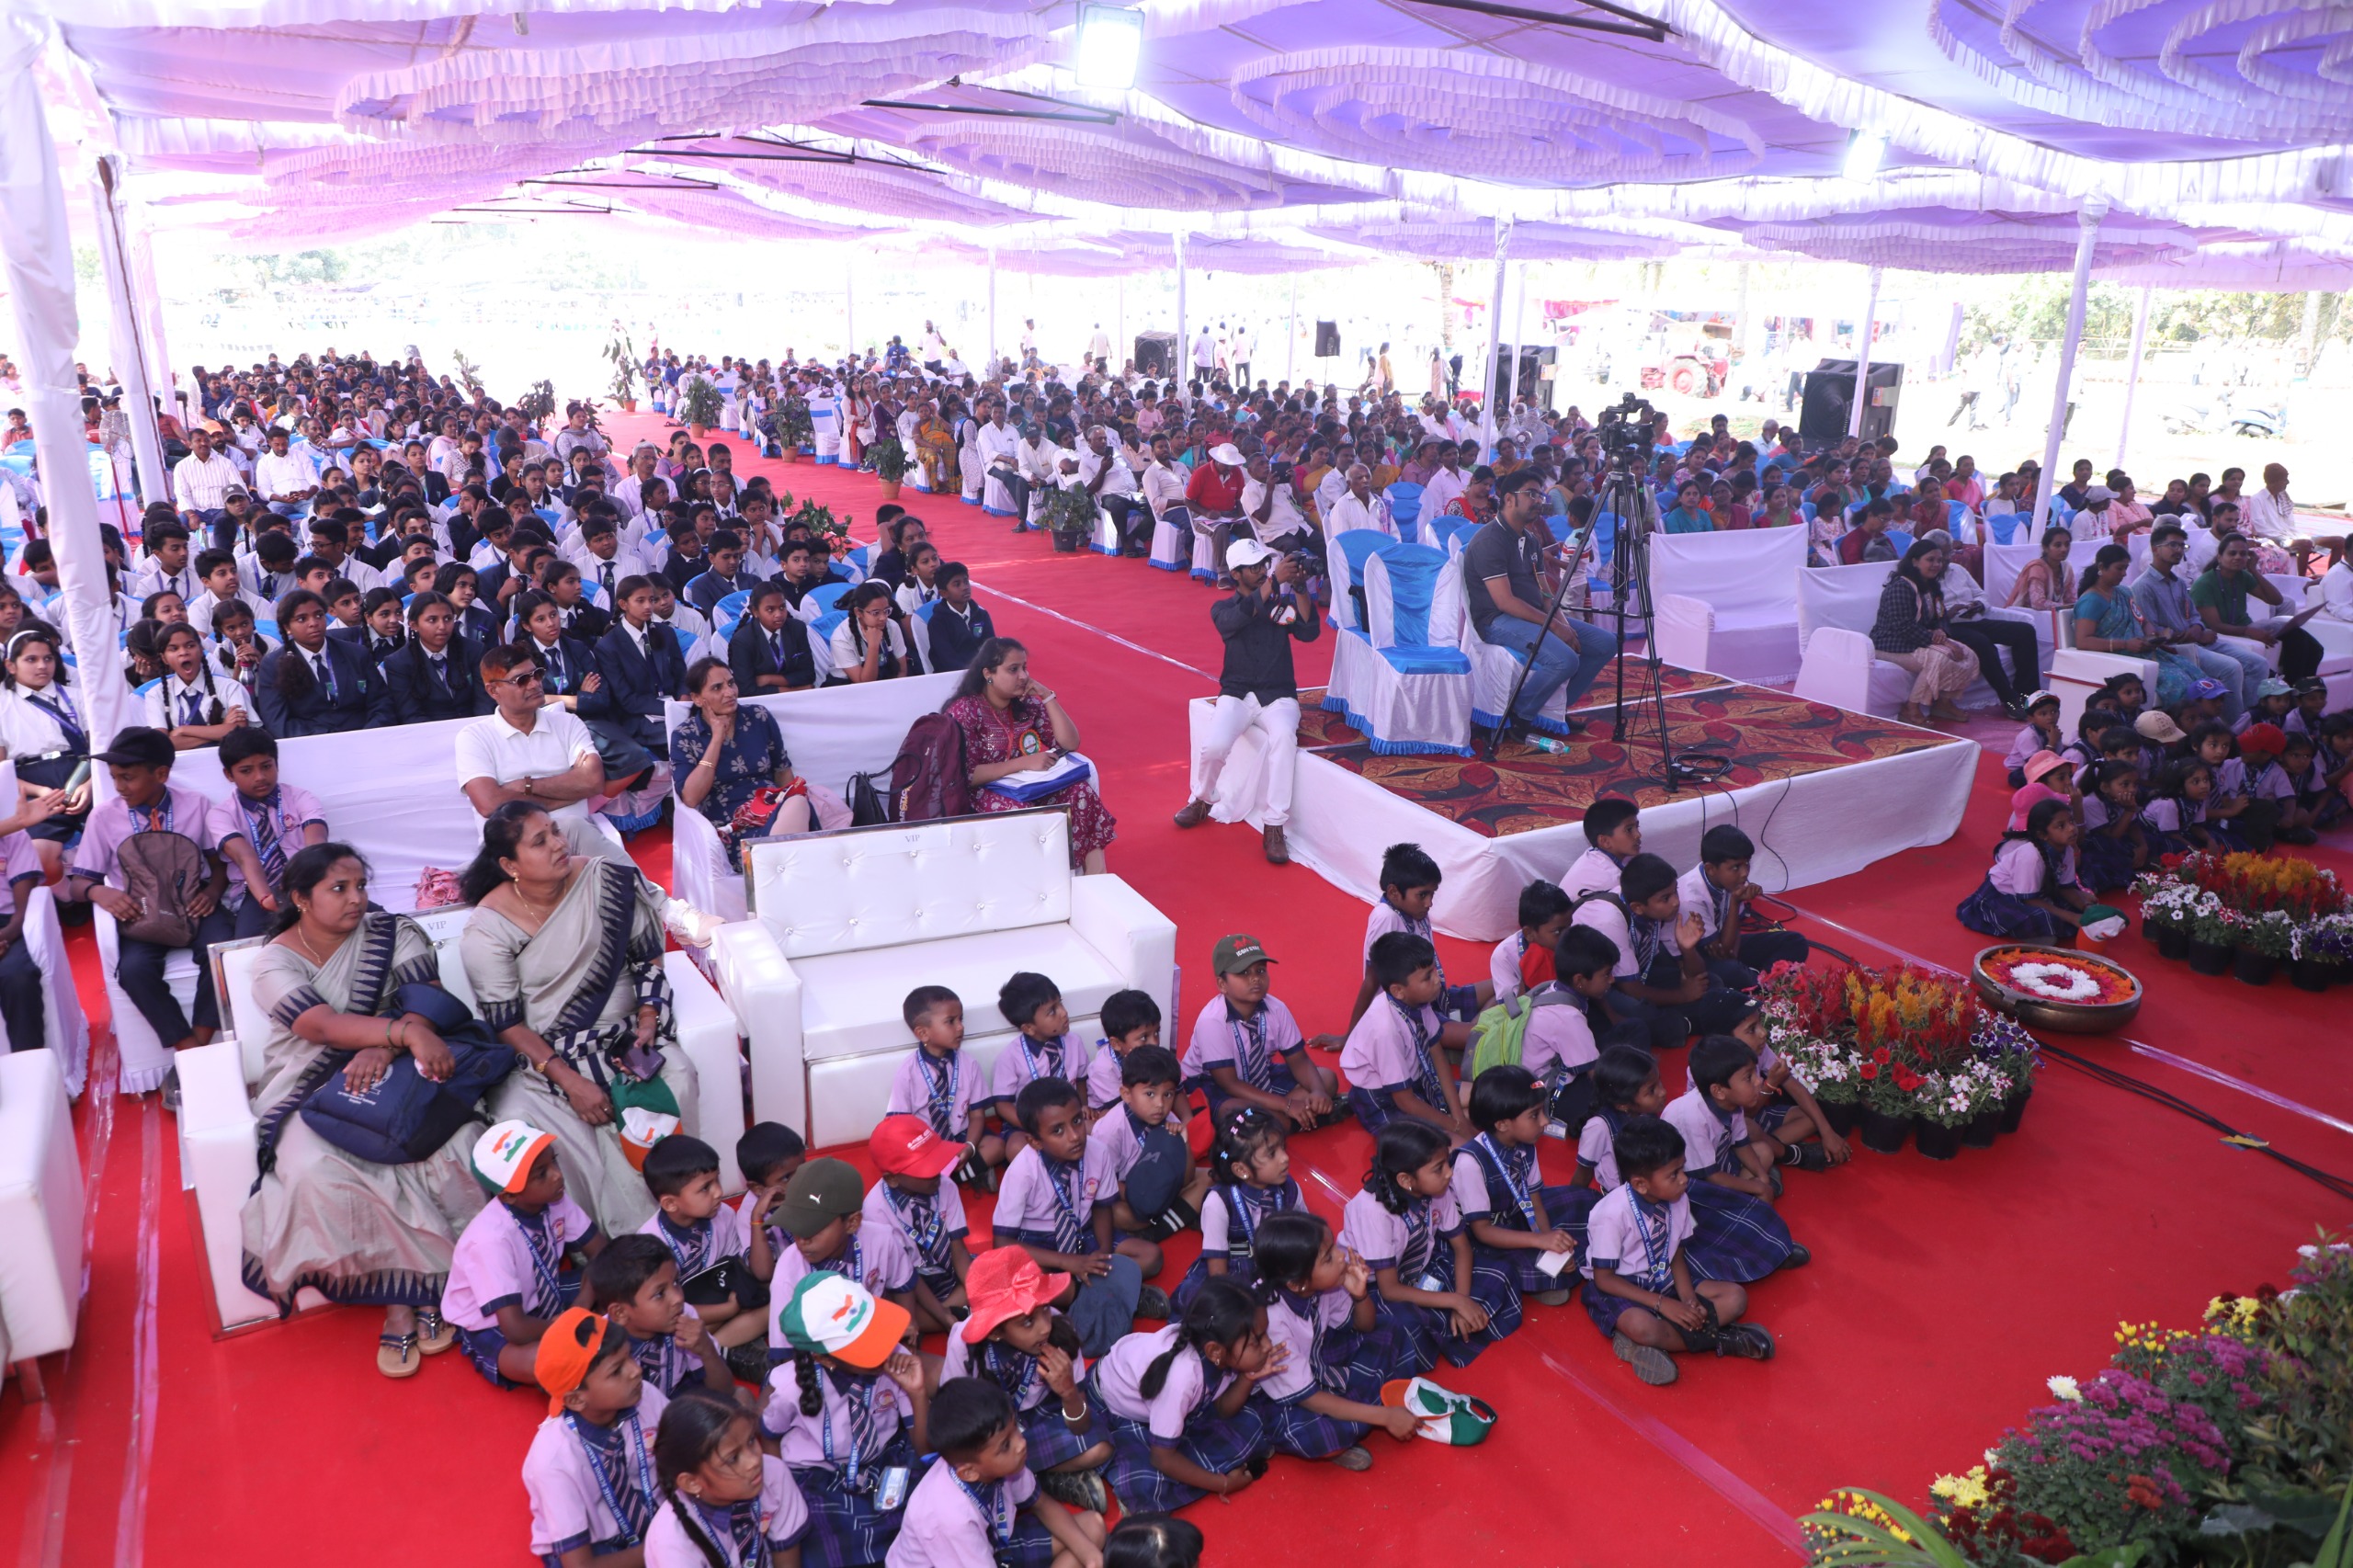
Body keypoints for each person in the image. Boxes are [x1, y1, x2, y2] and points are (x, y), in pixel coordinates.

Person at [236, 844, 491, 1375]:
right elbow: (322, 1027)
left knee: (451, 1146)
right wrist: (399, 1033)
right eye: (339, 889)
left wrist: (385, 1049)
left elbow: (427, 999)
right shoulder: (274, 962)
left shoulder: (393, 932)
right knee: (315, 1170)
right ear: (300, 899)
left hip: (400, 1073)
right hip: (310, 1085)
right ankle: (405, 1296)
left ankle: (418, 1290)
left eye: (360, 886)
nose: (356, 899)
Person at [460, 801, 702, 1235]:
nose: (558, 844)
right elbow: (507, 1024)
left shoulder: (606, 880)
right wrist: (572, 1083)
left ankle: (683, 1210)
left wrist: (649, 1018)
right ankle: (602, 1238)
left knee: (678, 1073)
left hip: (624, 1036)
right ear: (510, 865)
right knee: (526, 1116)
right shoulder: (488, 927)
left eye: (555, 831)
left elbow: (647, 958)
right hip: (544, 1056)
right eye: (540, 841)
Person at [68, 726, 235, 1069]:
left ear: (161, 774)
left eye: (127, 777)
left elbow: (219, 865)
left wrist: (213, 891)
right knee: (133, 971)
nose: (119, 787)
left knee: (222, 954)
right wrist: (100, 891)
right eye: (114, 778)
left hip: (193, 903)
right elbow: (77, 884)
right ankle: (189, 1048)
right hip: (141, 911)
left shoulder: (195, 805)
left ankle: (199, 1044)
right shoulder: (104, 816)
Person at [1578, 1114, 1772, 1386]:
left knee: (1735, 1298)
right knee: (1642, 1327)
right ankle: (1721, 1340)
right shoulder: (1611, 1214)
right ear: (1641, 1184)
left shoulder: (1678, 1197)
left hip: (1664, 1275)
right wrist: (1663, 1304)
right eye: (1674, 1174)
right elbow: (1604, 1280)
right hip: (1623, 1285)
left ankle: (1652, 1345)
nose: (1684, 1180)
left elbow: (1677, 1252)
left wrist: (1688, 1299)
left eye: (1682, 1169)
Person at [1169, 540, 1318, 865]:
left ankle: (1274, 825)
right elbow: (1236, 620)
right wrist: (1274, 582)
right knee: (1214, 746)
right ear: (1236, 574)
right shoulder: (1222, 609)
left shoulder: (1278, 605)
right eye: (1254, 568)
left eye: (1264, 564)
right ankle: (1203, 799)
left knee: (1284, 739)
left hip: (1278, 695)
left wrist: (1300, 588)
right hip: (1236, 694)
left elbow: (1308, 633)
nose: (1262, 571)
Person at [886, 1378, 1107, 1568]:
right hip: (954, 1557)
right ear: (969, 1472)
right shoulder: (949, 1518)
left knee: (1093, 1528)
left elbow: (1041, 1504)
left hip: (993, 1545)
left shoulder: (1004, 1462)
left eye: (1015, 1428)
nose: (1021, 1444)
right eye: (1006, 1445)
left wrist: (1092, 1557)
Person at [1463, 469, 1618, 738]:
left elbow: (1545, 593)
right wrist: (1555, 627)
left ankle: (1553, 709)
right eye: (1531, 494)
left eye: (1540, 494)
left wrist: (1561, 622)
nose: (1538, 500)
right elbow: (1505, 601)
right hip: (1497, 620)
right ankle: (1520, 714)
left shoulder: (1531, 540)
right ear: (1509, 499)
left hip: (1530, 615)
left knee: (1605, 643)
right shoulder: (1490, 540)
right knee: (1565, 660)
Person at [946, 639, 1115, 874]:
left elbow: (1069, 743)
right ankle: (1048, 883)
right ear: (988, 674)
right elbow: (966, 774)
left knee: (1080, 792)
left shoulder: (1025, 705)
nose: (1024, 676)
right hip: (982, 794)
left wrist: (1047, 696)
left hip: (1028, 787)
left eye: (1024, 668)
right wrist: (1022, 763)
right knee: (1026, 813)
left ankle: (1095, 881)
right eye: (1013, 669)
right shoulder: (966, 710)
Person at [671, 657, 831, 868]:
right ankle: (775, 865)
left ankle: (774, 865)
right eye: (717, 688)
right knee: (796, 813)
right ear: (697, 699)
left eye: (731, 683)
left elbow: (782, 771)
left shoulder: (758, 717)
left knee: (797, 803)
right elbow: (691, 798)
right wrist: (717, 738)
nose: (729, 692)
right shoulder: (685, 735)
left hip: (774, 810)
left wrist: (791, 798)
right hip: (731, 825)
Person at [1869, 539, 1981, 724]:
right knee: (1939, 658)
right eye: (1930, 560)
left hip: (1916, 640)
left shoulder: (1931, 586)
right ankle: (1911, 708)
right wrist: (1940, 641)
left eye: (1939, 560)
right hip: (1890, 643)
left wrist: (1940, 630)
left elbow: (1941, 616)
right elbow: (1903, 627)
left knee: (1968, 654)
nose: (1936, 564)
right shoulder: (1901, 586)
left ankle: (1943, 703)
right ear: (1914, 561)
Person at [2194, 531, 2323, 686]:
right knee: (2297, 641)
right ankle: (2291, 689)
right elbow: (2216, 626)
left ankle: (2301, 690)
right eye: (2232, 553)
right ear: (2220, 557)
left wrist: (2254, 570)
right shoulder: (2205, 584)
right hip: (2225, 634)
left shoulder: (2242, 576)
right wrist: (2248, 631)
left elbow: (2276, 600)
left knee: (2315, 648)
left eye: (2243, 554)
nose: (2238, 557)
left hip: (2247, 628)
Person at [256, 588, 392, 733]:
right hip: (309, 743)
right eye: (302, 619)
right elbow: (278, 722)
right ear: (287, 627)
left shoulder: (357, 654)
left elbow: (382, 705)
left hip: (364, 737)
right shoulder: (273, 665)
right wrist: (325, 741)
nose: (314, 623)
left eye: (319, 615)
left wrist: (366, 735)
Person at [1956, 798, 2089, 940]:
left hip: (2038, 893)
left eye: (2071, 821)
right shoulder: (2031, 857)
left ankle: (2049, 929)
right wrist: (2072, 917)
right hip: (2004, 896)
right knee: (2040, 917)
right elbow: (2030, 901)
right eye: (2061, 826)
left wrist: (2086, 907)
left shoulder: (2067, 849)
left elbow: (2065, 888)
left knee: (2077, 907)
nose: (2071, 828)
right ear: (2042, 835)